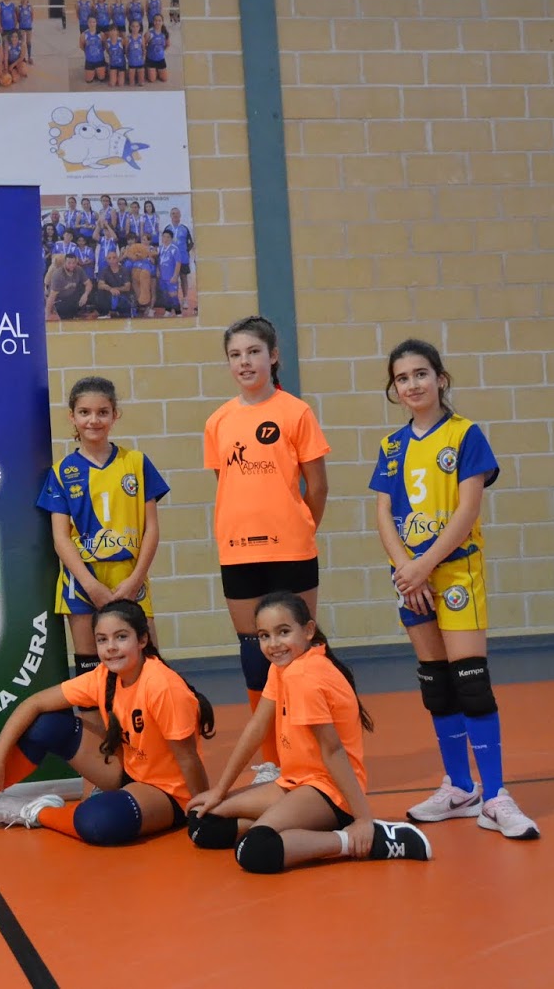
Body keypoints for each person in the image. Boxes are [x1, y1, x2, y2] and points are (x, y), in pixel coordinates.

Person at [373, 339, 539, 839]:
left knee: (471, 681)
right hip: (412, 578)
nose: (413, 385)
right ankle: (459, 788)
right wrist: (406, 568)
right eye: (402, 378)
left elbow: (467, 511)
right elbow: (383, 512)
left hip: (455, 573)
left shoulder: (465, 435)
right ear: (394, 389)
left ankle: (495, 797)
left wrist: (424, 565)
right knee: (437, 684)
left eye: (421, 374)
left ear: (441, 378)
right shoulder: (391, 447)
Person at [0, 600, 214, 845]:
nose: (111, 648)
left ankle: (36, 811)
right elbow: (33, 703)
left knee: (98, 822)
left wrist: (203, 812)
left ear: (142, 640)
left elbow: (188, 761)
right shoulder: (104, 677)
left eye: (121, 637)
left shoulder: (162, 686)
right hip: (127, 768)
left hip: (169, 793)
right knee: (47, 724)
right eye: (102, 640)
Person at [186, 592, 434, 870]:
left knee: (254, 850)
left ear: (308, 630)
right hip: (294, 782)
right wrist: (220, 790)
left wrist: (363, 818)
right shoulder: (283, 668)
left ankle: (356, 839)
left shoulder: (303, 675)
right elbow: (257, 727)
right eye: (264, 636)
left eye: (283, 632)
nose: (274, 644)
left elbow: (332, 749)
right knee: (202, 822)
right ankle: (287, 824)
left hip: (328, 791)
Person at [202, 316, 330, 786]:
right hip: (238, 552)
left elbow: (317, 486)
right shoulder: (218, 421)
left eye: (253, 352)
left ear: (273, 356)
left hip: (291, 550)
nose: (244, 362)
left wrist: (297, 527)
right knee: (256, 653)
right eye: (235, 355)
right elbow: (228, 486)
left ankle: (313, 751)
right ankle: (273, 759)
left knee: (300, 650)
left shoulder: (296, 412)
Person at [39, 377, 168, 675]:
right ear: (72, 416)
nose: (93, 420)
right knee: (91, 671)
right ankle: (94, 725)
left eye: (102, 412)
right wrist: (90, 585)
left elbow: (152, 529)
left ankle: (146, 723)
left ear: (115, 415)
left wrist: (136, 579)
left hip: (129, 578)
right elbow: (60, 538)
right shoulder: (62, 473)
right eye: (84, 412)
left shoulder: (136, 462)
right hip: (82, 583)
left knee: (149, 664)